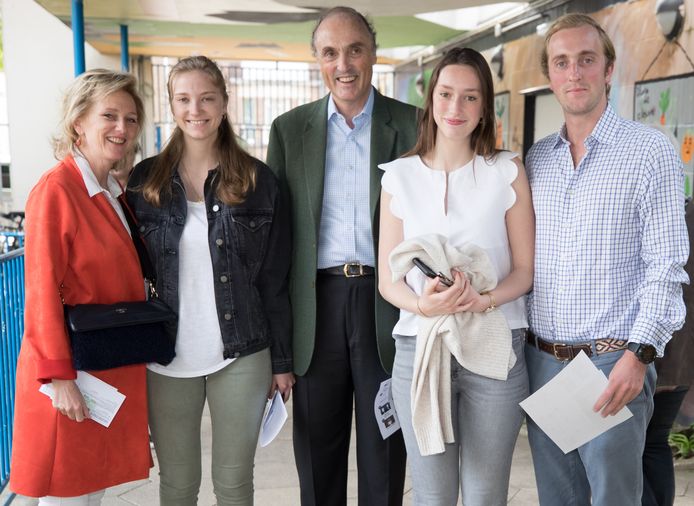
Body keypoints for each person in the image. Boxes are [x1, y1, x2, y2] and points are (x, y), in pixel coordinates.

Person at [524, 13, 689, 505]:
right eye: (562, 62)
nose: (574, 73)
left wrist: (639, 355)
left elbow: (666, 265)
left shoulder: (649, 152)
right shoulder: (536, 161)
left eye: (586, 60)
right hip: (544, 363)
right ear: (550, 76)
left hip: (611, 363)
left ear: (608, 69)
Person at [266, 6, 417, 505]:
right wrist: (279, 349)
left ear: (373, 54)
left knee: (386, 446)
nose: (344, 64)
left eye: (355, 49)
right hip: (316, 307)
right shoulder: (289, 131)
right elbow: (278, 242)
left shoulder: (414, 124)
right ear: (317, 60)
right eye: (330, 52)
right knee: (318, 455)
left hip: (388, 304)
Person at [126, 55, 293, 506]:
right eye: (183, 98)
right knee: (177, 486)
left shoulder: (260, 180)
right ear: (171, 105)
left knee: (234, 486)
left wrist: (282, 362)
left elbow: (275, 280)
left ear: (223, 103)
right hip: (165, 357)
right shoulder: (144, 181)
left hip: (242, 354)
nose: (195, 109)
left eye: (206, 98)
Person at [378, 47, 534, 505]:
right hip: (420, 347)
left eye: (470, 97)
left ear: (485, 106)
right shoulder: (398, 177)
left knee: (486, 495)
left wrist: (482, 299)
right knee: (432, 496)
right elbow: (389, 280)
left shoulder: (507, 171)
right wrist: (423, 304)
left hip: (494, 348)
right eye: (446, 94)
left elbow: (524, 271)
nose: (455, 108)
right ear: (431, 101)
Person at [10, 69, 150, 504]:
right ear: (78, 123)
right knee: (67, 493)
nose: (121, 128)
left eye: (130, 119)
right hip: (73, 374)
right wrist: (59, 378)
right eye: (109, 115)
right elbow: (40, 290)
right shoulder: (57, 190)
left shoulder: (111, 190)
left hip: (104, 369)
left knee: (91, 492)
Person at [642, 198, 694, 506]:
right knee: (655, 441)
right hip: (681, 356)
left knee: (639, 445)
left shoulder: (677, 217)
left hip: (658, 351)